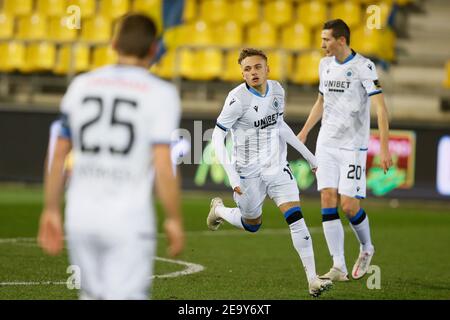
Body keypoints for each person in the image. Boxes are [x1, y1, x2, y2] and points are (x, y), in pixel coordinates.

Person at [37, 14, 184, 299]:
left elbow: (58, 155)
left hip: (80, 217)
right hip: (128, 220)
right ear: (154, 49)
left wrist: (51, 208)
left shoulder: (81, 85)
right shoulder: (161, 93)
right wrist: (173, 218)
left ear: (113, 44)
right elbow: (164, 166)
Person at [207, 48, 332, 297]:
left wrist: (309, 157)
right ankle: (219, 210)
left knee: (296, 218)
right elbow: (217, 137)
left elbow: (279, 126)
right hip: (246, 172)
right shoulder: (237, 100)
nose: (253, 72)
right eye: (247, 69)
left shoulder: (277, 90)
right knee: (252, 224)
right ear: (242, 74)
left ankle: (312, 279)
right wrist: (232, 176)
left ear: (267, 69)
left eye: (257, 67)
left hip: (275, 165)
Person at [297, 19, 393, 281]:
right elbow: (320, 101)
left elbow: (381, 110)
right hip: (326, 143)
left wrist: (384, 148)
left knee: (349, 206)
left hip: (352, 146)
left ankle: (366, 246)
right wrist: (305, 131)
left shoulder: (364, 67)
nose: (322, 45)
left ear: (341, 40)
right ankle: (338, 266)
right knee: (327, 198)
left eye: (326, 39)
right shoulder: (324, 65)